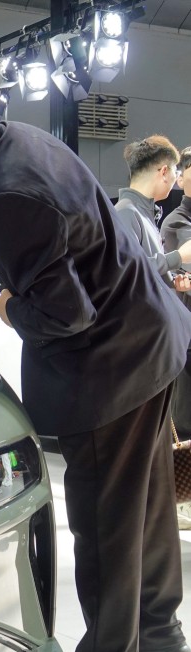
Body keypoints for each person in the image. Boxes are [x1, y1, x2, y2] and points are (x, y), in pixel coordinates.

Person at [0, 40, 191, 652]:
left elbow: (66, 314)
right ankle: (159, 629)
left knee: (106, 522)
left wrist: (7, 308)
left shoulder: (6, 188)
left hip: (110, 362)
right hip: (150, 336)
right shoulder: (20, 141)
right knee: (143, 501)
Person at [160, 145, 191, 528]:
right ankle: (183, 497)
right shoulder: (176, 224)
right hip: (185, 331)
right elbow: (171, 281)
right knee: (184, 417)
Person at [115, 135, 191, 285]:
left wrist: (173, 281)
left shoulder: (141, 213)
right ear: (164, 172)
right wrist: (179, 256)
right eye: (175, 172)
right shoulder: (126, 212)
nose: (175, 179)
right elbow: (126, 271)